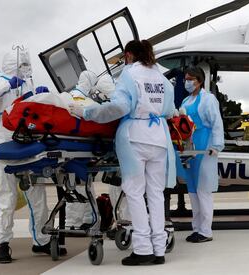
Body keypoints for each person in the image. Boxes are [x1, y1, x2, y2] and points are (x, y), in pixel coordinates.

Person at [69, 39, 176, 266]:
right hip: (159, 138)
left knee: (135, 192)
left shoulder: (130, 74)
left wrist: (86, 112)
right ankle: (159, 249)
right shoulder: (160, 77)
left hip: (136, 137)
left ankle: (142, 249)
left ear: (128, 55)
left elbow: (119, 108)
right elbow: (168, 110)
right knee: (155, 193)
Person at [0, 48, 60, 263]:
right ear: (12, 65)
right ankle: (2, 244)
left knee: (37, 194)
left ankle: (41, 240)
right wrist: (6, 85)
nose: (26, 69)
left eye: (27, 65)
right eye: (22, 65)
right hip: (3, 143)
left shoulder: (26, 82)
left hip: (26, 142)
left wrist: (41, 95)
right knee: (6, 195)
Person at [180, 67, 224, 243]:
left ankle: (206, 231)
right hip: (190, 147)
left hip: (205, 147)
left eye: (190, 79)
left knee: (203, 190)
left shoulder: (208, 99)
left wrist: (216, 145)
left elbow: (216, 123)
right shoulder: (185, 100)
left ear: (199, 80)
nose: (187, 82)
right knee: (192, 190)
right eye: (186, 79)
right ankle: (197, 228)